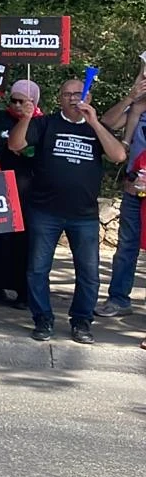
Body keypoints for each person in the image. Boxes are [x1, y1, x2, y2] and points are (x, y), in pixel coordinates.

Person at [8, 77, 127, 344]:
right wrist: (26, 118)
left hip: (83, 215)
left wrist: (95, 122)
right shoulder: (46, 123)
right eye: (67, 94)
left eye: (79, 93)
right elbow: (15, 145)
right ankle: (42, 319)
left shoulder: (97, 128)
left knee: (89, 273)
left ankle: (82, 321)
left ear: (89, 97)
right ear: (60, 99)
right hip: (45, 211)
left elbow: (119, 156)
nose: (74, 99)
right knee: (37, 269)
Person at [0, 79, 39, 309]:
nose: (16, 105)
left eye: (21, 101)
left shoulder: (40, 122)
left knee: (22, 241)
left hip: (26, 189)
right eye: (12, 100)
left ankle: (23, 290)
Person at [98, 70, 146, 318]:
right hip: (134, 188)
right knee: (126, 246)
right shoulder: (137, 108)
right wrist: (131, 96)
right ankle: (118, 299)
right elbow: (106, 124)